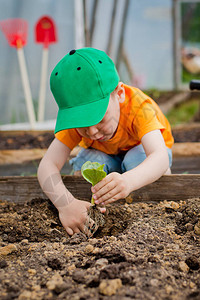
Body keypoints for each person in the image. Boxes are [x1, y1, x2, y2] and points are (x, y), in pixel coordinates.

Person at [37, 47, 174, 236]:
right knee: (87, 167)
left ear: (119, 94)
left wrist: (128, 180)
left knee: (136, 161)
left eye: (99, 117)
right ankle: (114, 183)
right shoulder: (82, 124)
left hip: (141, 151)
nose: (91, 131)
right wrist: (66, 204)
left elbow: (159, 156)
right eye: (81, 123)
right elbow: (48, 165)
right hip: (108, 154)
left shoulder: (139, 107)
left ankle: (147, 177)